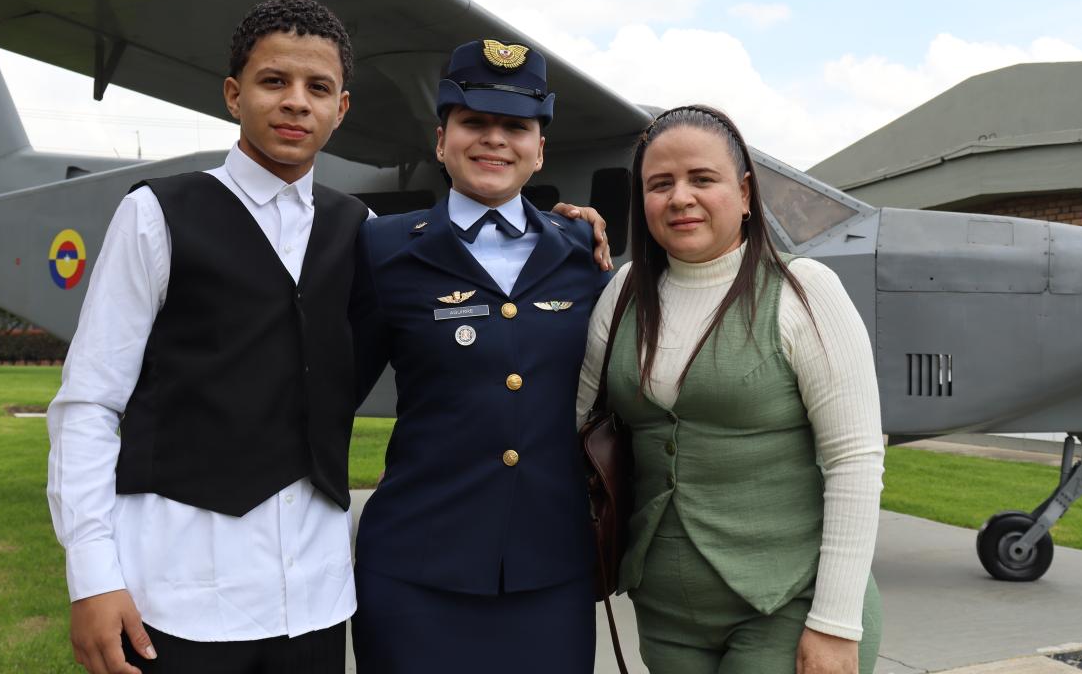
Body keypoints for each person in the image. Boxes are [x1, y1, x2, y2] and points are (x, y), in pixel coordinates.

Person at [46, 0, 369, 674]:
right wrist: (92, 575)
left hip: (316, 596)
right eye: (273, 81)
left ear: (341, 110)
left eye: (319, 88)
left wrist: (563, 230)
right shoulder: (156, 215)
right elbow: (89, 402)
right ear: (233, 94)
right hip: (180, 595)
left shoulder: (358, 230)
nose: (296, 103)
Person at [576, 105, 884, 674]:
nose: (680, 198)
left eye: (702, 179)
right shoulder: (620, 296)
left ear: (745, 194)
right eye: (659, 184)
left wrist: (836, 624)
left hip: (786, 607)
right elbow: (575, 424)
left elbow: (855, 460)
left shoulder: (805, 292)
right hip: (665, 614)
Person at [348, 39, 610, 674]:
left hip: (551, 573)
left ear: (539, 149)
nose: (495, 140)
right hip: (416, 572)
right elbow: (326, 395)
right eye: (475, 123)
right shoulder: (383, 250)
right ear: (442, 140)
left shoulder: (583, 252)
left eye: (516, 127)